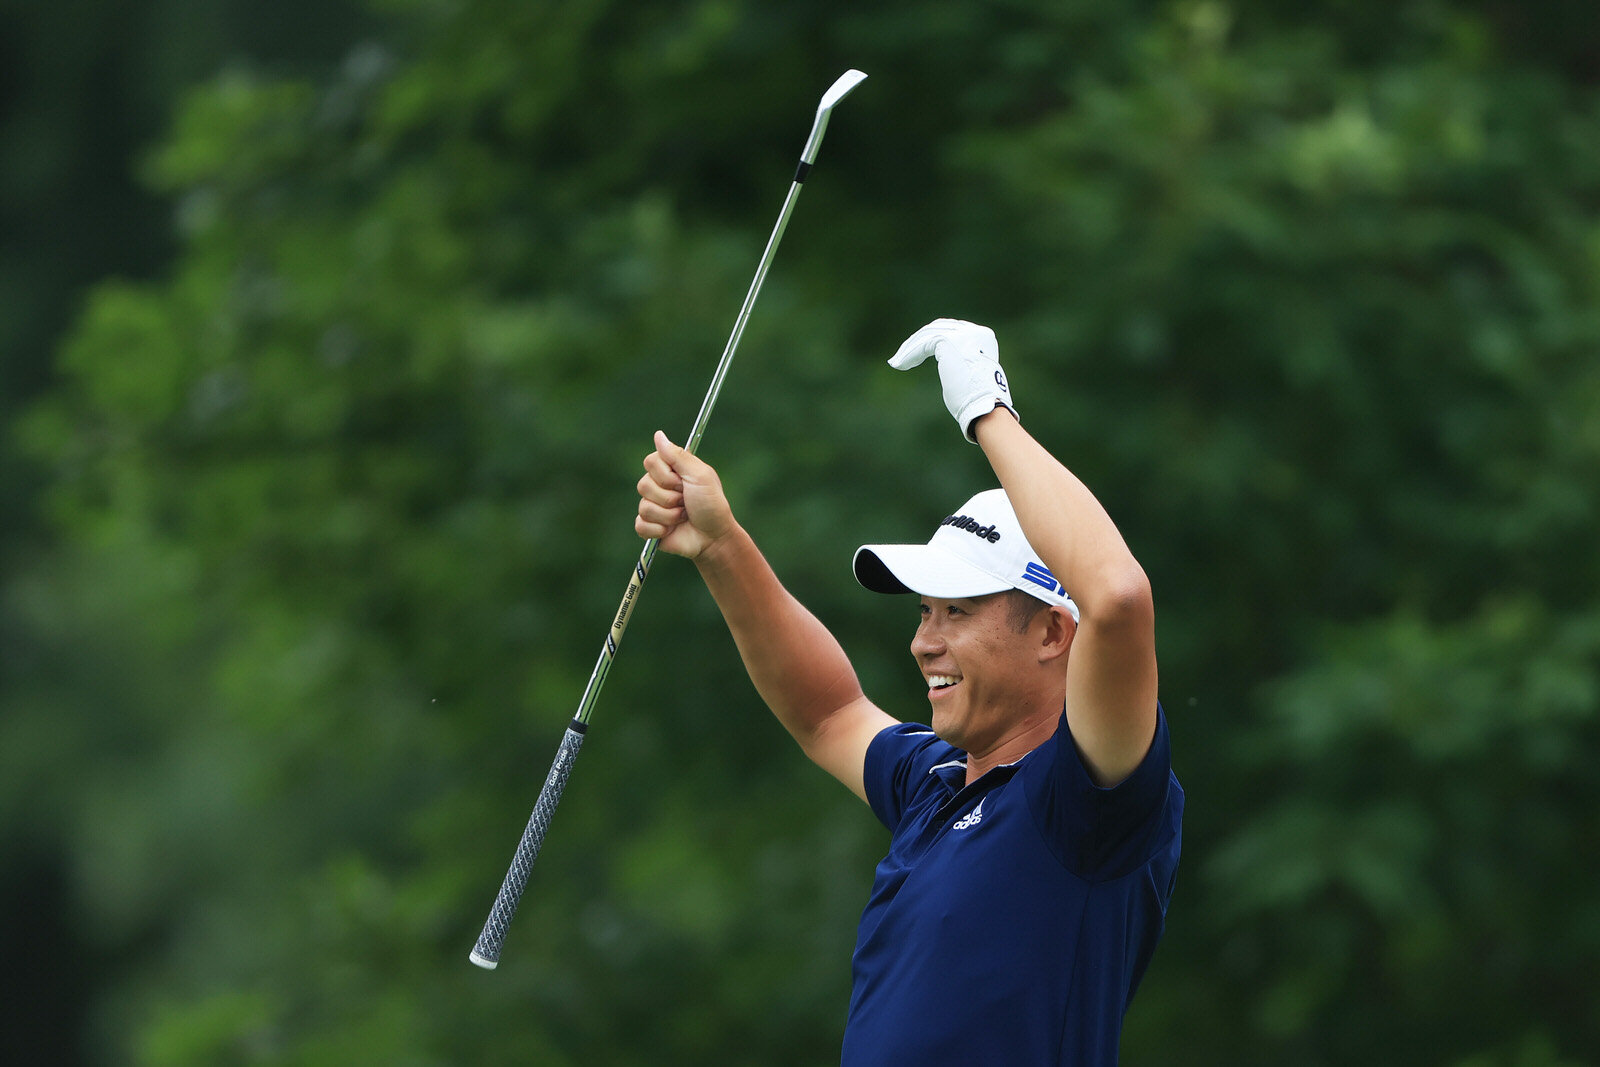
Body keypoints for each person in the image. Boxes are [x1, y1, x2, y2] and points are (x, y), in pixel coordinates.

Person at [635, 318, 1183, 1066]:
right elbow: (829, 711)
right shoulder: (936, 784)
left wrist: (986, 413)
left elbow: (1116, 596)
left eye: (958, 611)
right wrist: (723, 545)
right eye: (926, 611)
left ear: (1054, 634)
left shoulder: (1084, 801)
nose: (925, 640)